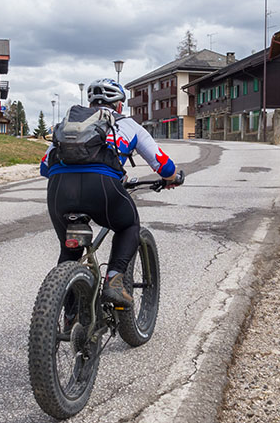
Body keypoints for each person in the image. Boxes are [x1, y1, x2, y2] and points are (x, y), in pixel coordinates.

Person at [40, 78, 180, 308]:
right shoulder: (128, 125)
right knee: (128, 226)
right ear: (119, 105)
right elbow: (163, 165)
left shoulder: (70, 125)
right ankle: (114, 280)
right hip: (103, 187)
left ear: (91, 103)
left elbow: (45, 168)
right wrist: (172, 179)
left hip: (59, 190)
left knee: (69, 249)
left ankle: (65, 315)